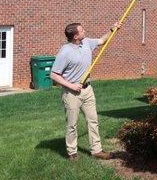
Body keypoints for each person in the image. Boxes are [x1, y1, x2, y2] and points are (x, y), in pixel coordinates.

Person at [50, 21, 121, 160]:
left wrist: (112, 30)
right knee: (72, 124)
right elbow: (54, 75)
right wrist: (71, 86)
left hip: (87, 90)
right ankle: (72, 152)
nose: (84, 32)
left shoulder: (87, 42)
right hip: (71, 93)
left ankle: (97, 151)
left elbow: (101, 41)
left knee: (93, 120)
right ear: (75, 36)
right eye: (81, 31)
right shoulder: (65, 52)